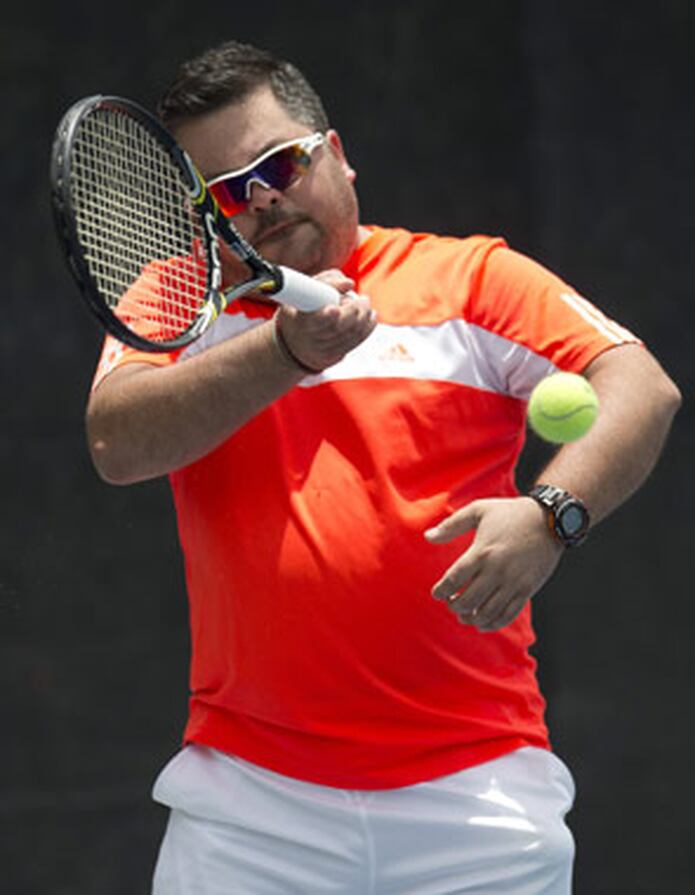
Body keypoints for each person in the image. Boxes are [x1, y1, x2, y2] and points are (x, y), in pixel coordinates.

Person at [85, 39, 681, 895]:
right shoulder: (178, 302)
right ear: (205, 213)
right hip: (249, 809)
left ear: (334, 153)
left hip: (480, 801)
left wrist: (551, 514)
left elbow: (639, 384)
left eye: (278, 165)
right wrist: (282, 351)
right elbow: (116, 443)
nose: (261, 199)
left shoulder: (471, 278)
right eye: (227, 192)